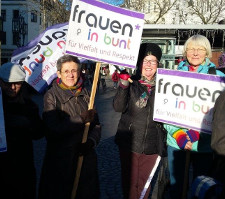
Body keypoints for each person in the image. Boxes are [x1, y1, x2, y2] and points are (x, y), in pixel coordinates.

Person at [164, 34, 225, 199]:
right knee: (176, 188)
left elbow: (220, 116)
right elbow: (164, 108)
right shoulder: (173, 75)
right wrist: (178, 134)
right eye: (191, 49)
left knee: (201, 190)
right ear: (185, 52)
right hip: (177, 143)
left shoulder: (218, 78)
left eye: (200, 49)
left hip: (204, 146)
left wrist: (197, 133)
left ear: (207, 52)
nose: (195, 53)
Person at [38, 55, 101, 199]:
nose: (70, 75)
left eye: (74, 70)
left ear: (79, 72)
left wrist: (91, 142)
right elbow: (52, 129)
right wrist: (81, 118)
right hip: (61, 162)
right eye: (66, 71)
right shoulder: (51, 95)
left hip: (85, 159)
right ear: (59, 73)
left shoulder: (87, 93)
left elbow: (97, 125)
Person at [113, 43, 168, 199]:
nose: (149, 64)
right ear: (139, 64)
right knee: (129, 183)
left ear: (158, 64)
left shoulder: (166, 86)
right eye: (145, 60)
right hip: (129, 142)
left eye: (153, 60)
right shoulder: (132, 83)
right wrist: (123, 85)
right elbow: (118, 107)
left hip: (152, 143)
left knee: (144, 186)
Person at [0, 62, 45, 199]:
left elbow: (38, 133)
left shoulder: (29, 105)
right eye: (7, 84)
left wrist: (28, 124)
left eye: (17, 83)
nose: (12, 88)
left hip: (22, 166)